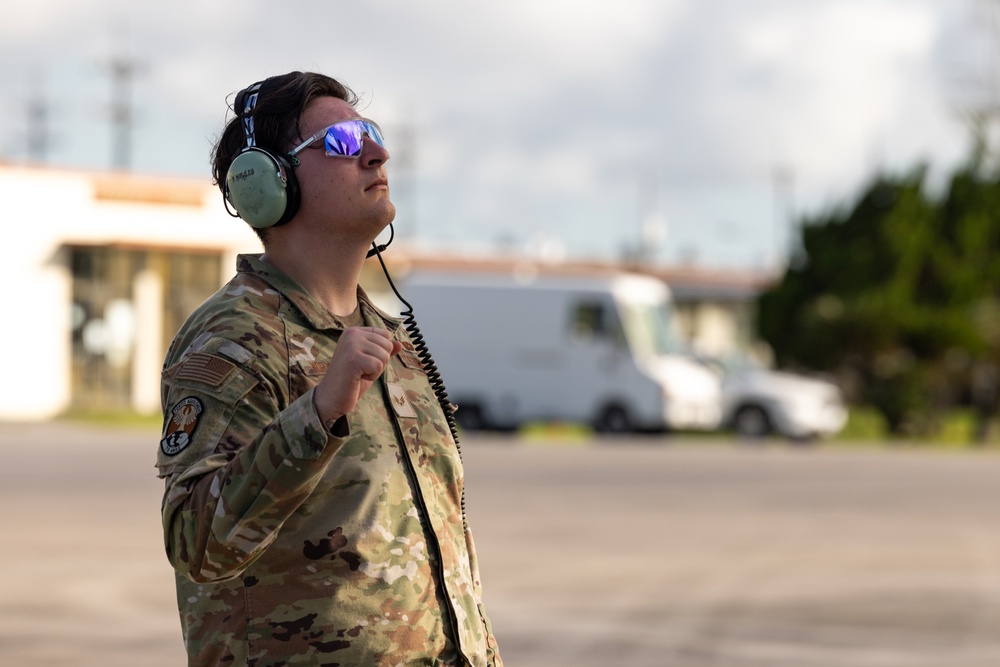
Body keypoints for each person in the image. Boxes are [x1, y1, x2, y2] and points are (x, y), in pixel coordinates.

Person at [156, 71, 503, 667]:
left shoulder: (391, 343)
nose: (377, 152)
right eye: (343, 142)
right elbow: (197, 542)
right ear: (268, 182)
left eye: (371, 133)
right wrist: (316, 416)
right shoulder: (234, 339)